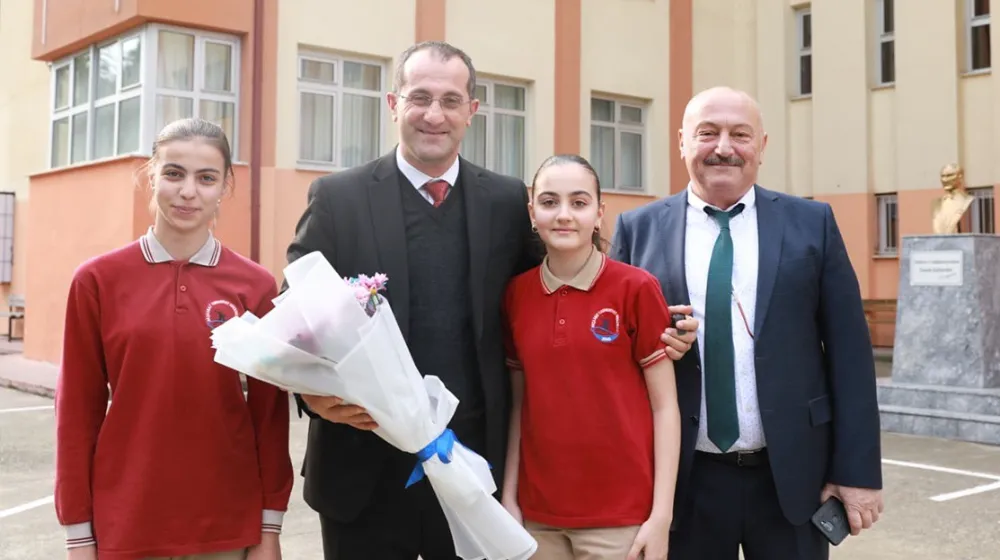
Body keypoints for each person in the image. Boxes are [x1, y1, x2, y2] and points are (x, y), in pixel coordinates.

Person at [285, 41, 698, 560]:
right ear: (393, 104)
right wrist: (312, 395)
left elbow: (562, 286)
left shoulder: (505, 201)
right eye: (419, 98)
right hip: (362, 472)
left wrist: (657, 329)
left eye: (451, 100)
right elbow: (293, 315)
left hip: (477, 473)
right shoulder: (337, 198)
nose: (434, 114)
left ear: (472, 111)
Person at [610, 86, 884, 560]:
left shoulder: (812, 223)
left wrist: (857, 472)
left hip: (793, 479)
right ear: (681, 142)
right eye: (707, 133)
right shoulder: (638, 230)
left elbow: (851, 356)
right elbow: (614, 357)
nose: (724, 148)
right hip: (681, 484)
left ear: (762, 145)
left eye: (740, 134)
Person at [54, 118, 294, 560]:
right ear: (151, 175)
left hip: (228, 527)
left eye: (206, 178)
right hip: (126, 524)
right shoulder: (97, 281)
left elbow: (269, 418)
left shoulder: (255, 285)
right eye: (174, 173)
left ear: (225, 186)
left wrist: (270, 527)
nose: (188, 191)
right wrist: (78, 534)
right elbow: (76, 414)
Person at [501, 155, 681, 560]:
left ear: (600, 214)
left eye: (579, 203)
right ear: (532, 213)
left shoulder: (636, 288)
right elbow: (519, 406)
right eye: (550, 202)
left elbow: (665, 407)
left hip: (621, 520)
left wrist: (661, 516)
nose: (564, 214)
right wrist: (510, 497)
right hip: (536, 518)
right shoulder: (515, 295)